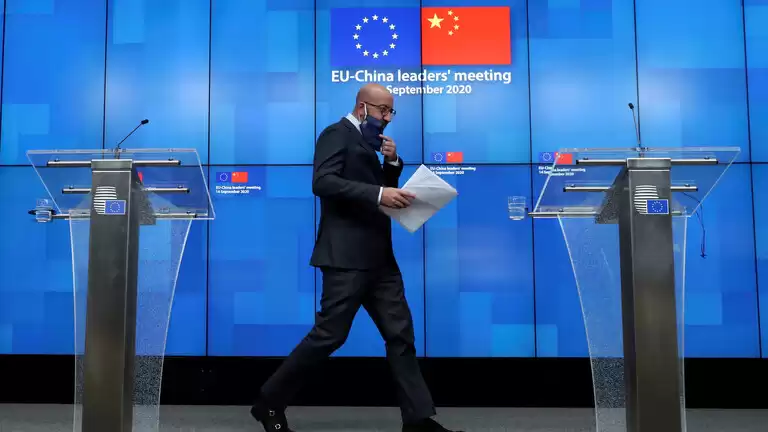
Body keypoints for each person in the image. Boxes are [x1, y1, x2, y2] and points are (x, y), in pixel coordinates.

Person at [250, 83, 461, 432]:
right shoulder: (336, 134)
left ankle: (418, 421)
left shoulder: (369, 142)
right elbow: (323, 182)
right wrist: (379, 193)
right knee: (329, 335)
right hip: (346, 257)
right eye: (383, 110)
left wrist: (391, 163)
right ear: (363, 107)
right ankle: (268, 402)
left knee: (401, 336)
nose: (387, 118)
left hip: (380, 258)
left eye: (391, 112)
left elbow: (377, 187)